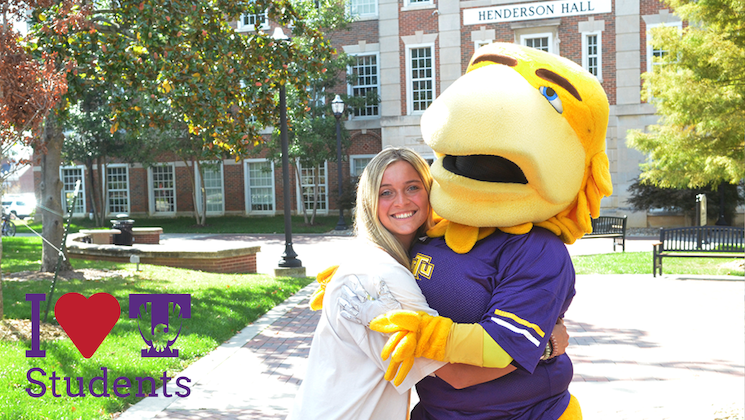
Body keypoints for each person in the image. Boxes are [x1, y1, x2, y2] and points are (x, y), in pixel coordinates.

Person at [288, 147, 567, 420]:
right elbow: (457, 375)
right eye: (385, 192)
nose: (401, 202)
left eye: (412, 187)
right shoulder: (383, 276)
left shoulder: (398, 260)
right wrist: (543, 347)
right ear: (369, 202)